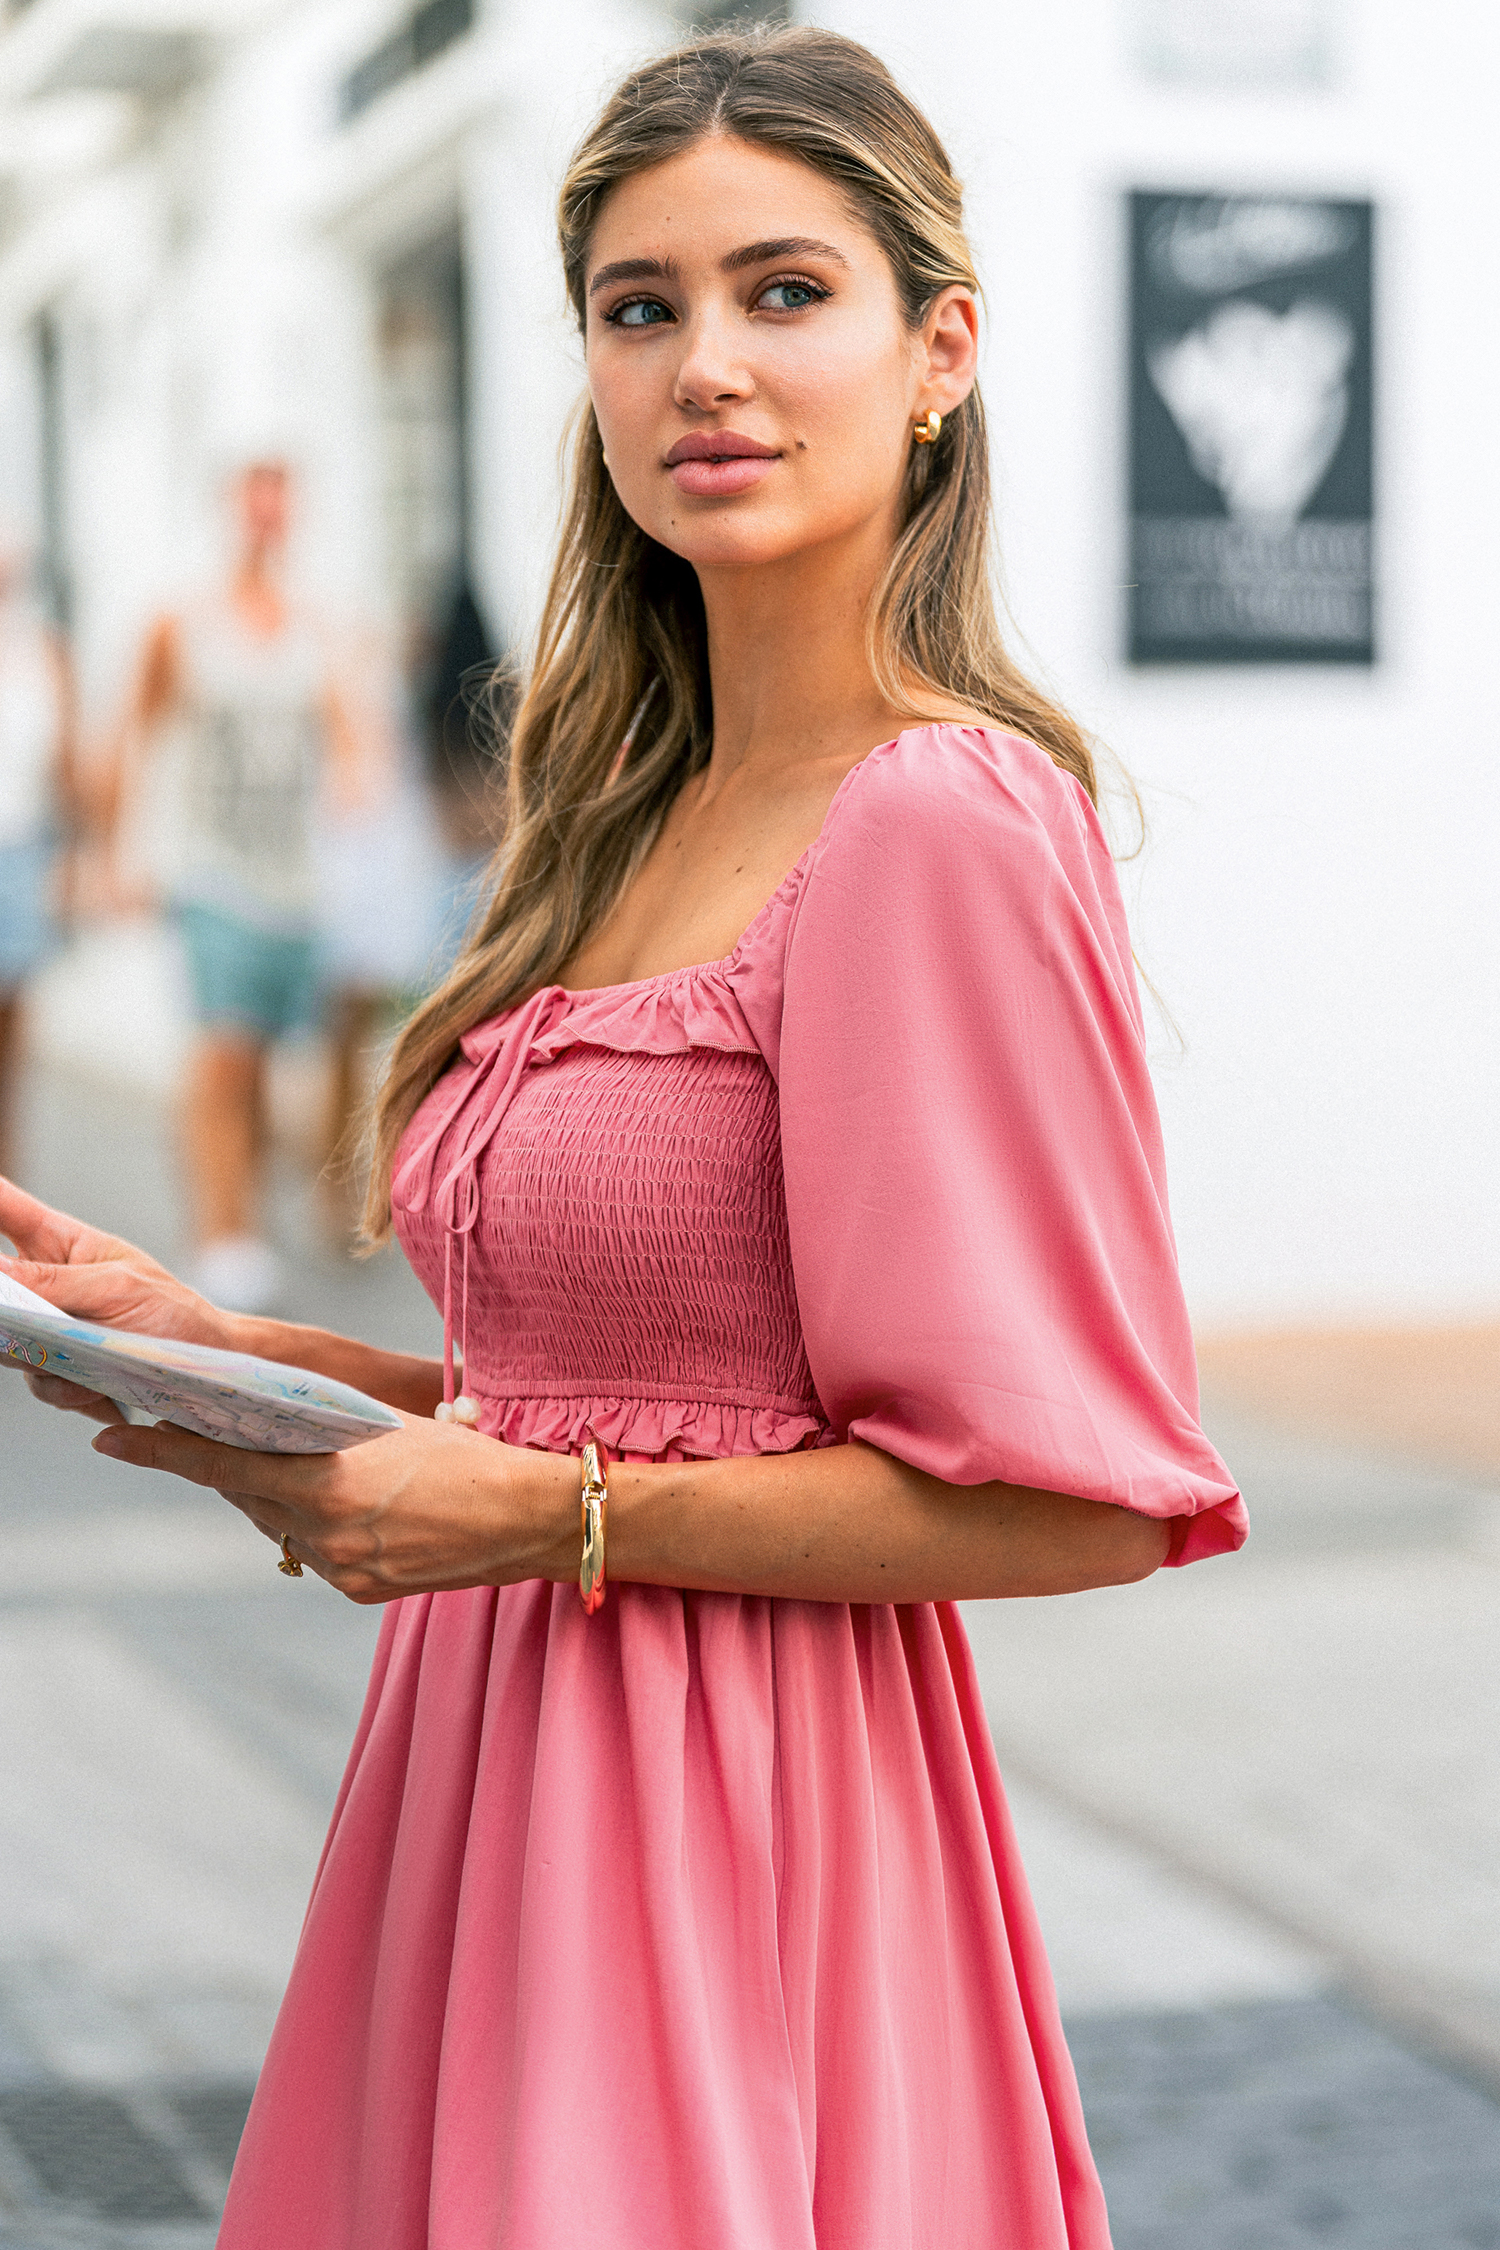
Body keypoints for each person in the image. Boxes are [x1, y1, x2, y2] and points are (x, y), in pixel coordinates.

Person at [1, 29, 1245, 2247]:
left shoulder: (939, 818)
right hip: (487, 1779)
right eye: (640, 307)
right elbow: (605, 1388)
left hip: (737, 1816)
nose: (708, 369)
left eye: (787, 293)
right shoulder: (618, 822)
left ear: (939, 348)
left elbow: (1076, 1503)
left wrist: (533, 1509)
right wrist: (225, 1347)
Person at [109, 459, 365, 1310]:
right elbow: (134, 742)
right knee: (222, 1054)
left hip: (291, 879)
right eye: (254, 497)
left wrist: (356, 785)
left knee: (260, 1062)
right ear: (229, 508)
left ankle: (246, 1215)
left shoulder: (312, 627)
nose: (267, 515)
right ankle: (222, 1232)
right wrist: (121, 854)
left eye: (280, 499)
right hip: (208, 871)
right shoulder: (180, 626)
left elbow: (347, 736)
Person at [0, 536, 77, 1182]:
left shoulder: (40, 648)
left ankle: (7, 1170)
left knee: (14, 1015)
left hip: (21, 846)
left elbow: (66, 765)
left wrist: (74, 856)